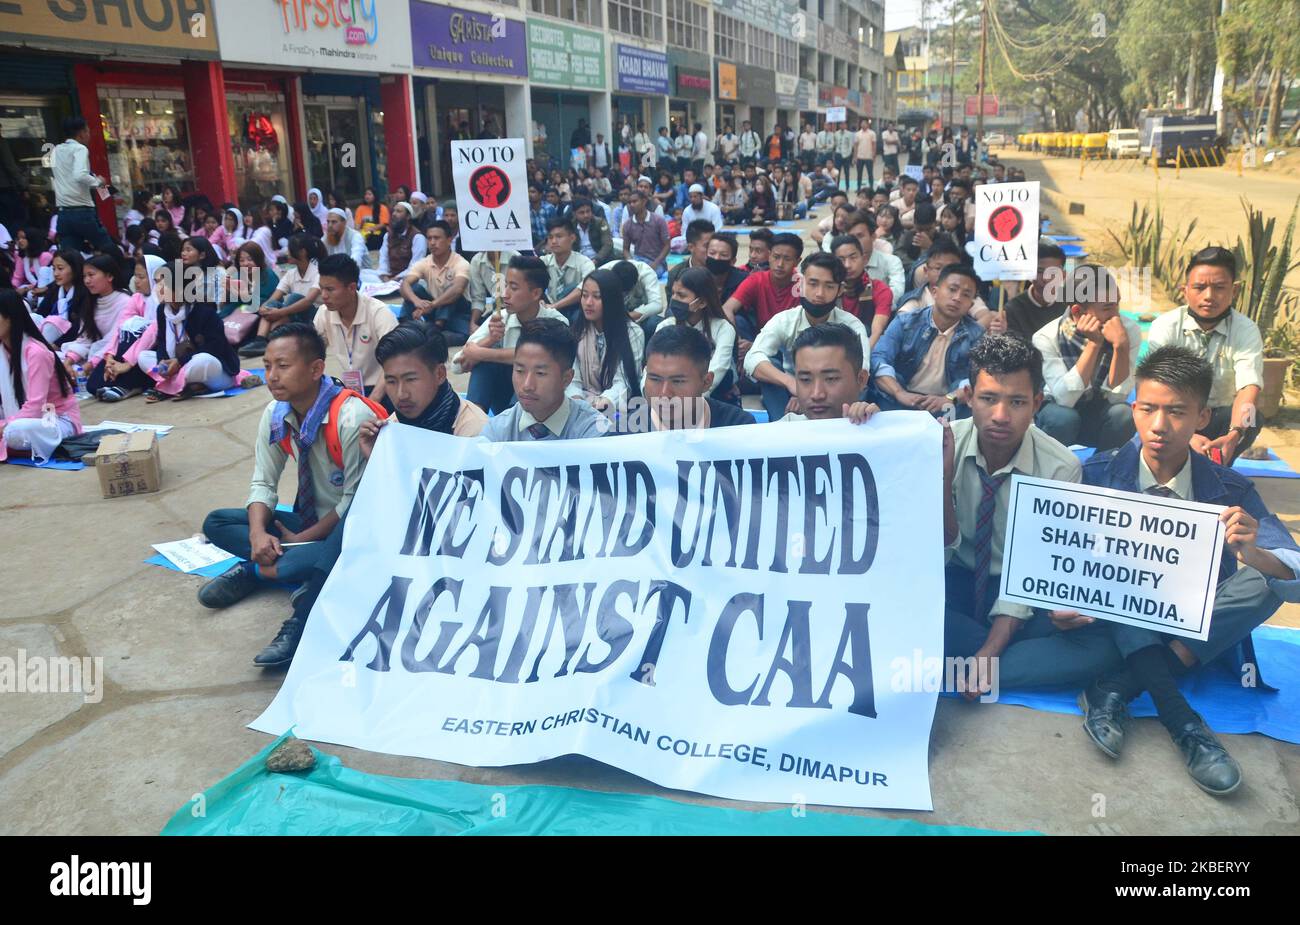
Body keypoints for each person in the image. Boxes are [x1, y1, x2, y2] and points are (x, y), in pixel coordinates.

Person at [1075, 346, 1300, 795]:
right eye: (1147, 409)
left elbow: (1294, 576)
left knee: (1269, 579)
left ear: (1202, 417)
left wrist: (1253, 552)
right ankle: (1181, 719)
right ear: (1133, 408)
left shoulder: (1229, 487)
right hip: (1116, 621)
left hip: (1193, 626)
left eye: (1176, 412)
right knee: (1118, 572)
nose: (1159, 426)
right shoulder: (1095, 474)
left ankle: (1118, 686)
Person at [250, 323, 490, 668]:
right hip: (398, 538)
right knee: (347, 527)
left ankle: (284, 581)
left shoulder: (471, 428)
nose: (400, 393)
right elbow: (384, 501)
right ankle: (303, 618)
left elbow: (458, 515)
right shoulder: (392, 426)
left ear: (439, 374)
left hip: (449, 549)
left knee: (335, 543)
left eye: (410, 379)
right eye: (391, 381)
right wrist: (374, 458)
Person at [198, 323, 382, 610]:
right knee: (216, 522)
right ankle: (295, 567)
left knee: (344, 554)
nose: (271, 377)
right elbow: (263, 482)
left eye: (283, 366)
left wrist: (300, 539)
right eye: (267, 366)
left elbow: (352, 503)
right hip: (308, 522)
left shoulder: (351, 417)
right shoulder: (277, 413)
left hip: (350, 530)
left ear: (316, 369)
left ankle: (257, 571)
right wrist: (258, 534)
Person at [942, 333, 1083, 699]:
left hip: (1014, 589)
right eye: (988, 399)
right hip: (953, 579)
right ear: (968, 397)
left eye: (1017, 402)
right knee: (902, 611)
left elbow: (1032, 571)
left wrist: (989, 652)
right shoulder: (941, 445)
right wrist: (941, 480)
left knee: (1097, 637)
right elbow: (930, 554)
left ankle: (968, 662)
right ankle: (1010, 665)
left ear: (1037, 403)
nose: (1001, 416)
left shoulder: (1060, 468)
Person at [1145, 246, 1263, 462]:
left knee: (1254, 417)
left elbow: (1249, 386)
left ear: (1234, 291)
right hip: (1172, 416)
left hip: (1219, 420)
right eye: (1199, 287)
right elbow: (1158, 389)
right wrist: (1186, 435)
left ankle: (1220, 462)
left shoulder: (1246, 329)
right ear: (1185, 290)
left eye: (1219, 287)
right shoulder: (1166, 326)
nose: (1209, 296)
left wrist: (1234, 434)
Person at [745, 252, 871, 421]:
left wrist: (810, 392)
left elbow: (862, 368)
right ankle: (779, 427)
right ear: (800, 283)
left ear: (840, 290)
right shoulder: (785, 320)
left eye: (829, 286)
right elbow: (752, 358)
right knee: (770, 367)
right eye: (813, 284)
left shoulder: (852, 325)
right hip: (792, 390)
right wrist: (792, 384)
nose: (819, 293)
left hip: (833, 394)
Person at [1033, 264, 1140, 450]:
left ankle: (1105, 468)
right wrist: (1094, 344)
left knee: (1124, 414)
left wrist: (1121, 347)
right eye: (1107, 308)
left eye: (1117, 305)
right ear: (1078, 312)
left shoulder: (1127, 331)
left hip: (1100, 411)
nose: (1116, 315)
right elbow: (1064, 399)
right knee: (1064, 418)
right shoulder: (1047, 337)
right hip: (1059, 413)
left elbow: (1117, 397)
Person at [454, 254, 569, 413]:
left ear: (536, 294)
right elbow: (458, 363)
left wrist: (481, 353)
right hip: (504, 398)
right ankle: (476, 417)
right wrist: (489, 340)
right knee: (485, 365)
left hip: (538, 404)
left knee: (527, 368)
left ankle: (516, 423)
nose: (504, 294)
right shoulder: (501, 318)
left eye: (513, 288)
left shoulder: (556, 321)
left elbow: (536, 359)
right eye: (505, 285)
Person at [869, 263, 986, 418]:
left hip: (948, 404)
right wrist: (899, 393)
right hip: (903, 398)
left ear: (970, 304)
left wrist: (949, 398)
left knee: (973, 401)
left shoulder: (976, 334)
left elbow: (981, 376)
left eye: (966, 294)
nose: (957, 298)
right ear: (935, 292)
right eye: (952, 289)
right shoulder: (905, 322)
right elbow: (879, 358)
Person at [120, 260, 245, 402]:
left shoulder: (203, 311)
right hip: (176, 368)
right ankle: (185, 385)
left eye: (163, 284)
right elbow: (162, 341)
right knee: (143, 357)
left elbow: (214, 348)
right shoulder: (162, 310)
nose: (158, 289)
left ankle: (172, 387)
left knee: (202, 360)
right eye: (157, 283)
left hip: (215, 373)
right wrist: (163, 361)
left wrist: (179, 362)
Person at [481, 318, 606, 442]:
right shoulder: (496, 433)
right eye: (520, 371)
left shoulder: (593, 433)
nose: (527, 385)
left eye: (540, 373)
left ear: (566, 378)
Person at [623, 324, 755, 432]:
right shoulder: (621, 437)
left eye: (678, 381)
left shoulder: (739, 428)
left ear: (706, 382)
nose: (664, 393)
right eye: (655, 379)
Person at [0, 291, 82, 463]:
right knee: (11, 429)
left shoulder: (36, 352)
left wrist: (4, 426)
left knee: (15, 431)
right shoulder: (2, 350)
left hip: (54, 418)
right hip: (20, 417)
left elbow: (36, 406)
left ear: (11, 318)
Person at [311, 253, 399, 405]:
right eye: (321, 288)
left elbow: (395, 361)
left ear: (352, 287)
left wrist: (373, 401)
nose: (323, 296)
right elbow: (311, 355)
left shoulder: (379, 313)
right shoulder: (323, 313)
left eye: (330, 289)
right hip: (350, 388)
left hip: (384, 386)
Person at [567, 268, 644, 412]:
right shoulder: (577, 331)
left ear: (612, 299)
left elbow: (624, 381)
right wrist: (578, 400)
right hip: (581, 404)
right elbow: (572, 378)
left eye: (597, 297)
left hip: (617, 406)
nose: (588, 303)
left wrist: (604, 402)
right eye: (584, 295)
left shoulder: (632, 332)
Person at [723, 231, 803, 365]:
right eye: (776, 257)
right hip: (758, 340)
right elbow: (727, 308)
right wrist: (738, 342)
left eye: (787, 259)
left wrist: (755, 346)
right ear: (769, 255)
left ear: (797, 261)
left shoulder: (803, 285)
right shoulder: (757, 280)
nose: (780, 264)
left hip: (789, 348)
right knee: (738, 321)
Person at [239, 233, 323, 358]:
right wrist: (265, 307)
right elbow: (274, 297)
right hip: (291, 317)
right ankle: (260, 340)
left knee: (294, 298)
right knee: (272, 304)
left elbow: (308, 301)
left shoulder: (318, 272)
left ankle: (270, 338)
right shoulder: (291, 274)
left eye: (290, 250)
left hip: (313, 318)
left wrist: (280, 312)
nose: (287, 253)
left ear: (302, 252)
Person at [658, 267, 737, 399]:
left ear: (702, 302)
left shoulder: (723, 328)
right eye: (673, 293)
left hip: (709, 391)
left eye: (681, 295)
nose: (674, 299)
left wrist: (691, 396)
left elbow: (718, 367)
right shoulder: (666, 326)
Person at [401, 221, 472, 342]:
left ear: (449, 240)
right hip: (433, 311)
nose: (432, 243)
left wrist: (431, 305)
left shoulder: (461, 263)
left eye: (437, 238)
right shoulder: (425, 262)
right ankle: (405, 325)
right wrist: (417, 301)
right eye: (429, 238)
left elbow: (458, 289)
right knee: (414, 289)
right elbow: (404, 285)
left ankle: (436, 329)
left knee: (451, 289)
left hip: (458, 311)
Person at [60, 253, 131, 375]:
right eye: (84, 276)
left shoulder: (125, 302)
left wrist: (87, 366)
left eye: (91, 275)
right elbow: (85, 339)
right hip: (92, 354)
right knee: (54, 359)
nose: (87, 281)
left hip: (112, 356)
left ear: (109, 276)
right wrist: (68, 363)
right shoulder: (91, 302)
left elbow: (114, 340)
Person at [51, 117, 114, 254]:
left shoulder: (56, 150)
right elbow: (79, 175)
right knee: (108, 249)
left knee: (70, 257)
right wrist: (98, 182)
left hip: (63, 213)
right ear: (81, 133)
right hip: (82, 211)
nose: (89, 135)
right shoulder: (80, 149)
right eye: (88, 131)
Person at [831, 234, 893, 346]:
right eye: (841, 260)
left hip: (868, 346)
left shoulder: (880, 289)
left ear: (864, 259)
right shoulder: (829, 289)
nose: (847, 265)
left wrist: (863, 359)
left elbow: (876, 332)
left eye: (853, 258)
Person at [1004, 242, 1068, 338]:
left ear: (1063, 275)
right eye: (1039, 271)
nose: (1046, 278)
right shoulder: (1013, 308)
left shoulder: (1072, 304)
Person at [844, 210, 905, 303]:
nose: (855, 241)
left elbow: (897, 293)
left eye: (860, 236)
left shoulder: (892, 261)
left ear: (873, 236)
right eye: (851, 237)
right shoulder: (841, 263)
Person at [541, 216, 596, 320]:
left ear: (572, 238)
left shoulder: (585, 263)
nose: (553, 241)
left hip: (575, 310)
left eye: (559, 236)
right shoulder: (544, 262)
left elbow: (584, 289)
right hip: (548, 309)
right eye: (550, 237)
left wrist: (555, 306)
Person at [34, 250, 90, 347]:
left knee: (55, 322)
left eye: (60, 268)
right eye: (54, 269)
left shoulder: (84, 292)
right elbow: (41, 313)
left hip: (71, 341)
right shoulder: (55, 289)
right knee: (33, 317)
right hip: (49, 336)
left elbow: (78, 326)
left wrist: (56, 345)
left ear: (75, 268)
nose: (56, 274)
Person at [620, 189, 671, 273]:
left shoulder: (658, 220)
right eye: (630, 202)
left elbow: (667, 246)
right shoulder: (627, 225)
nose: (632, 205)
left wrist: (656, 263)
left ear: (644, 201)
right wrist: (632, 262)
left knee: (649, 275)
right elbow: (625, 249)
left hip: (656, 261)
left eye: (635, 201)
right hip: (638, 260)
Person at [376, 201, 425, 281]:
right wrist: (385, 277)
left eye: (398, 211)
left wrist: (395, 279)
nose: (394, 214)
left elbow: (415, 266)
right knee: (364, 274)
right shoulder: (388, 236)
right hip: (389, 277)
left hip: (407, 278)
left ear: (408, 216)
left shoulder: (418, 237)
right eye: (393, 211)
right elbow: (383, 259)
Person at [666, 219, 714, 293]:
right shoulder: (676, 274)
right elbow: (672, 303)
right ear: (691, 247)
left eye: (713, 244)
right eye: (707, 245)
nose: (712, 250)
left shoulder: (720, 269)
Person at [572, 198, 613, 265]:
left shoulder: (600, 223)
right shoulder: (571, 226)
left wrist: (595, 260)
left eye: (588, 211)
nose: (586, 215)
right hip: (579, 263)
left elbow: (607, 244)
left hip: (599, 261)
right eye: (581, 212)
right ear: (574, 214)